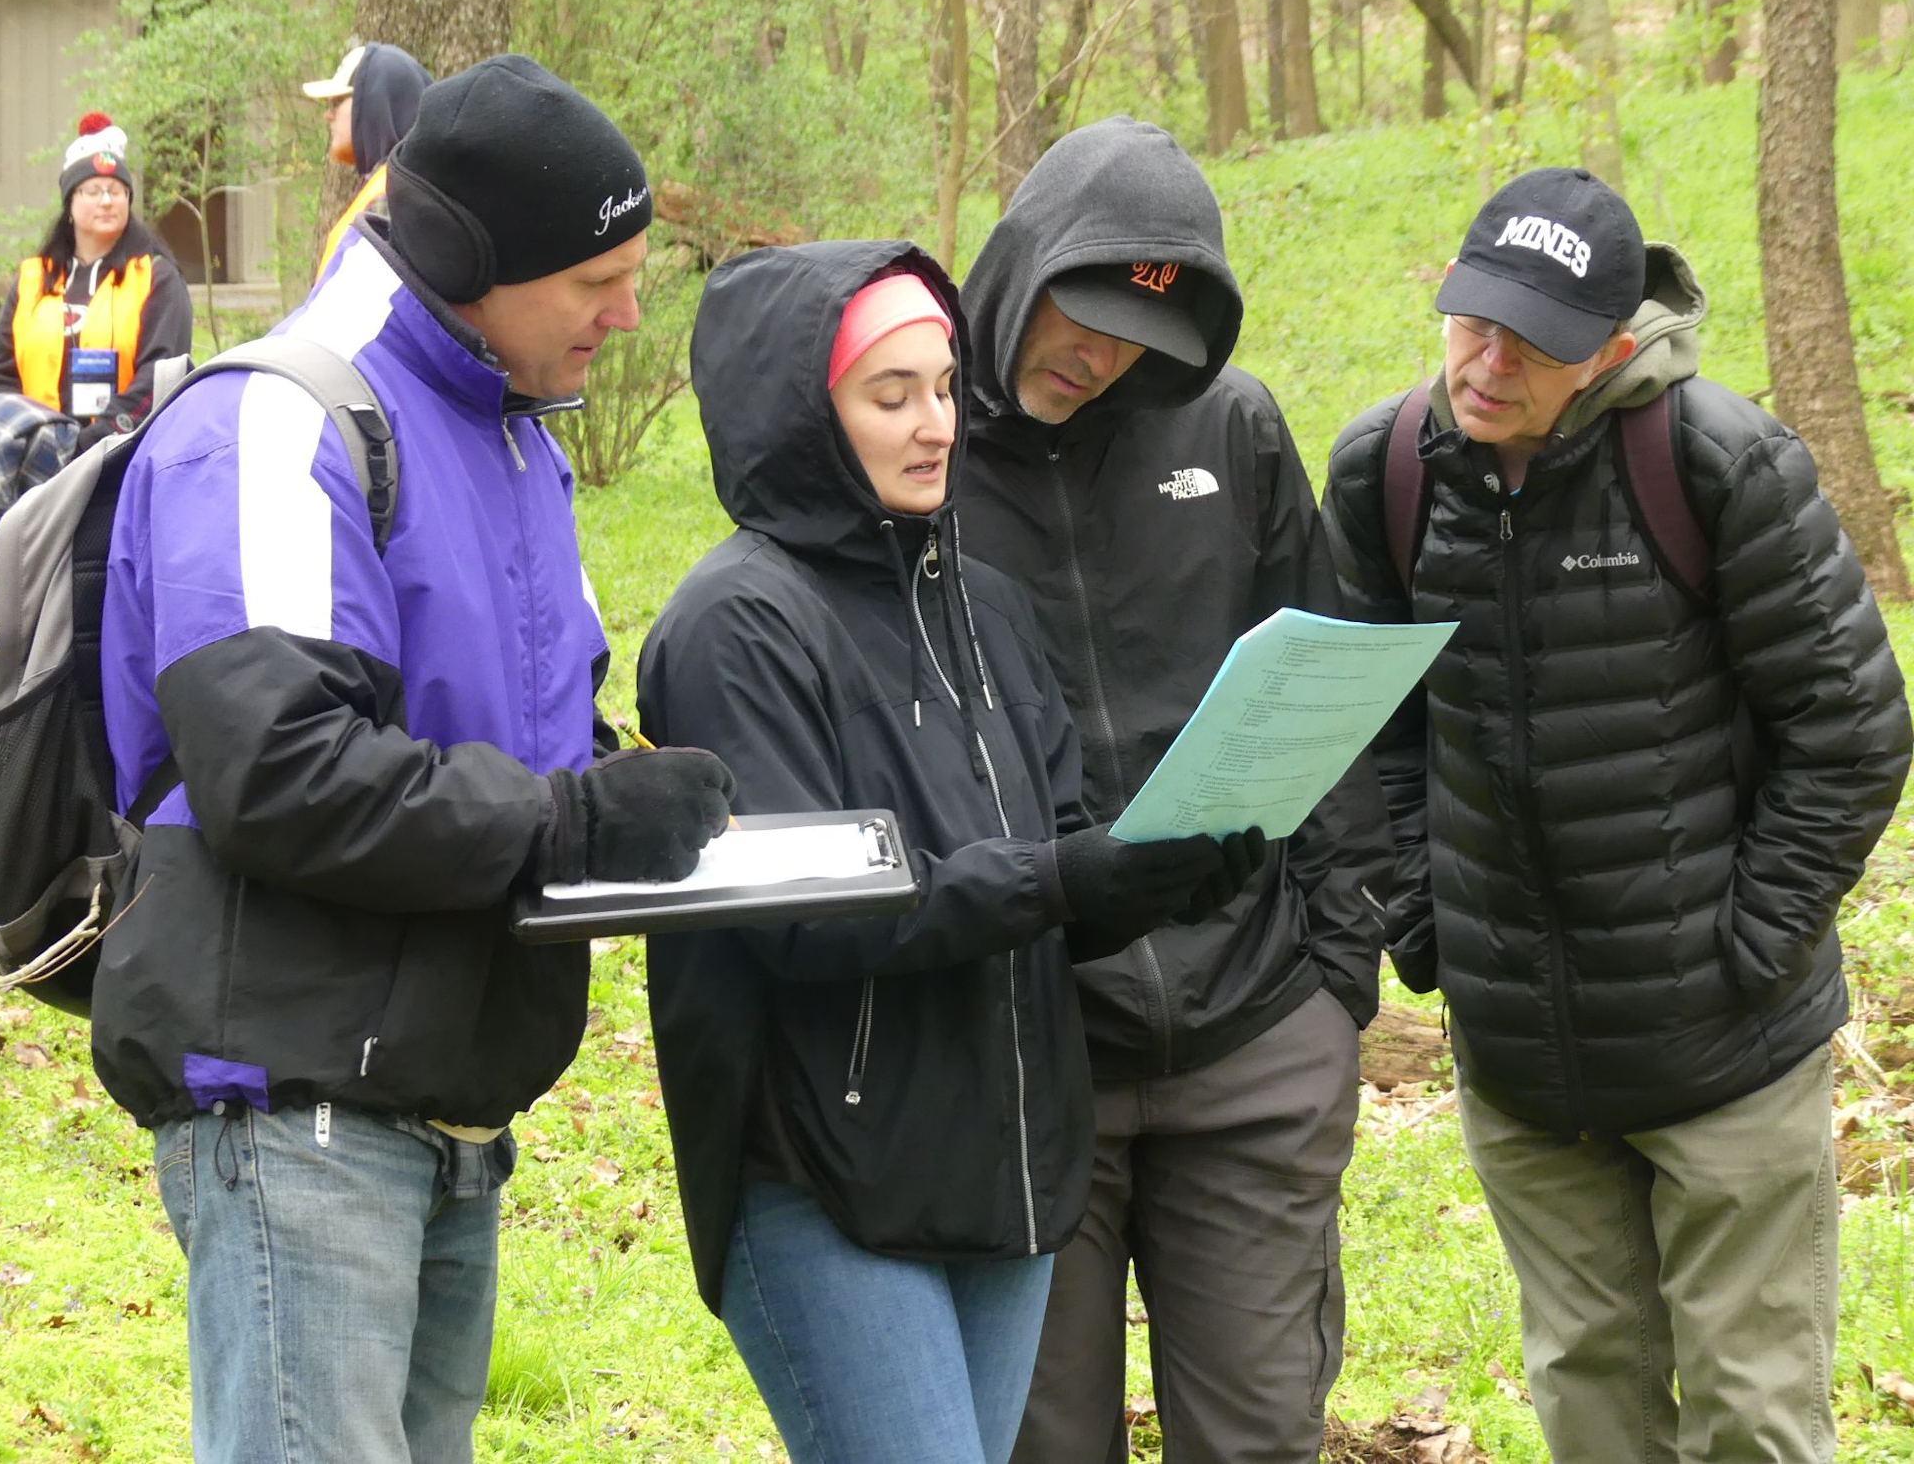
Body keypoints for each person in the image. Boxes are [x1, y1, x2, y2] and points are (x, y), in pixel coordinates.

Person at [90, 55, 735, 1464]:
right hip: (297, 1100)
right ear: (472, 266)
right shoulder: (276, 424)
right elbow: (277, 767)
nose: (628, 315)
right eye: (595, 280)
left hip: (449, 1100)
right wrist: (574, 824)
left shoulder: (509, 436)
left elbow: (497, 753)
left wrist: (642, 806)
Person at [637, 242, 1264, 1464]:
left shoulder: (986, 607)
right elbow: (804, 913)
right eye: (888, 396)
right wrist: (1063, 877)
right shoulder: (735, 625)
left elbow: (1054, 864)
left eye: (940, 388)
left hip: (1007, 1159)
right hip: (824, 1173)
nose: (934, 427)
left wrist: (1158, 872)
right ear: (802, 417)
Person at [1322, 167, 1912, 1463]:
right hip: (1524, 1061)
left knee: (1753, 1419)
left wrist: (1744, 947)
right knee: (1590, 1403)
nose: (1484, 364)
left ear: (1606, 346)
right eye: (1470, 322)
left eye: (1527, 344)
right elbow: (1364, 727)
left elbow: (1854, 726)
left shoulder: (1716, 461)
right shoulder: (1386, 470)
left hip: (1729, 1058)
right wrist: (1426, 923)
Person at [951, 115, 1395, 1464]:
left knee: (1260, 1433)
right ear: (1018, 271)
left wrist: (1337, 964)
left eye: (1138, 340)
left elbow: (1325, 691)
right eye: (1076, 321)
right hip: (1029, 1050)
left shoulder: (1232, 427)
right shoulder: (914, 453)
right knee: (1045, 1441)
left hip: (1255, 1033)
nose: (1099, 361)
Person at [0, 111, 191, 531]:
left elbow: (162, 373)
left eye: (117, 190)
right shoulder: (33, 277)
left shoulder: (155, 275)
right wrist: (27, 441)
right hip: (37, 465)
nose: (107, 200)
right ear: (69, 201)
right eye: (93, 190)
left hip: (119, 460)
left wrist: (93, 443)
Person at [303, 41, 432, 281]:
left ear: (371, 103)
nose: (327, 115)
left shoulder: (396, 196)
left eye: (336, 102)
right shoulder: (405, 183)